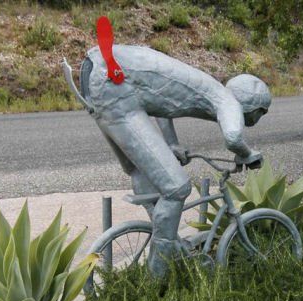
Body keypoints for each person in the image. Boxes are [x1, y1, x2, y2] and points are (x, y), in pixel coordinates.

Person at [79, 45, 271, 278]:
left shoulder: (208, 86)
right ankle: (157, 277)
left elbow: (160, 102)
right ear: (255, 107)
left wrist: (172, 143)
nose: (259, 118)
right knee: (177, 188)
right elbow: (233, 138)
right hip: (114, 83)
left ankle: (167, 241)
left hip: (98, 77)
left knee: (140, 171)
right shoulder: (226, 101)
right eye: (262, 113)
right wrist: (248, 154)